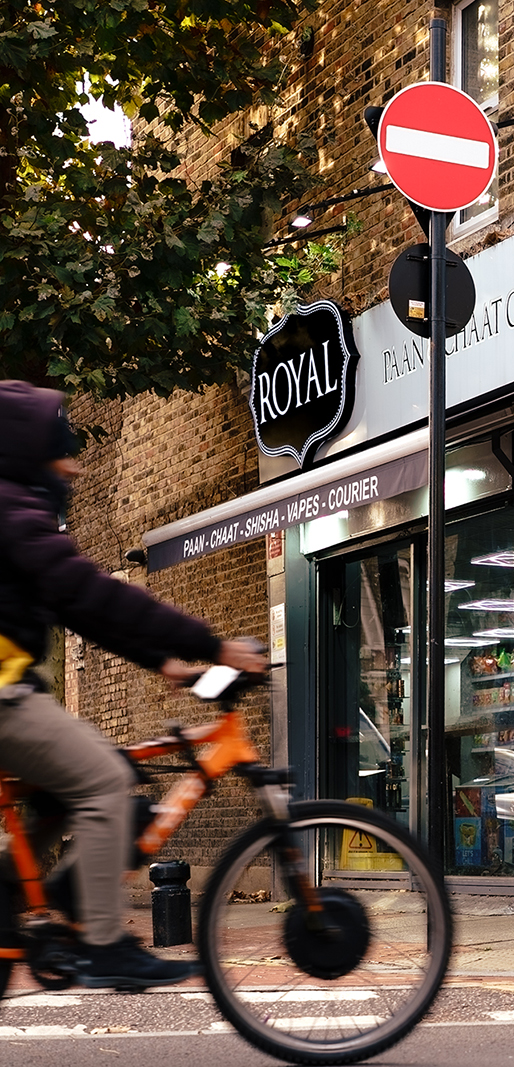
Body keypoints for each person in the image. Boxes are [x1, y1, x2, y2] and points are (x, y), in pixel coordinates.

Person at [0, 381, 267, 988]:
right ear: (25, 452)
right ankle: (102, 945)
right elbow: (90, 594)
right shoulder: (12, 509)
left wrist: (165, 662)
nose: (72, 465)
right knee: (104, 779)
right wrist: (211, 645)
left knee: (77, 778)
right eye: (59, 450)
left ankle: (23, 894)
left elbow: (75, 607)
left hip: (13, 684)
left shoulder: (12, 508)